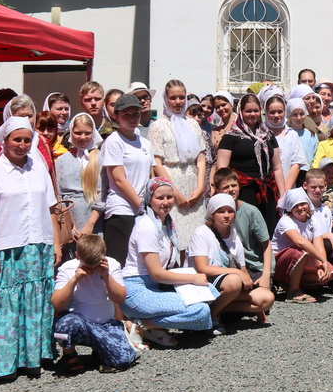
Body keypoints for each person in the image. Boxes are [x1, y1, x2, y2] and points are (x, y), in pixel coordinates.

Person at [0, 117, 62, 378]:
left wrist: (56, 243)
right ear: (5, 141)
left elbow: (51, 209)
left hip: (39, 245)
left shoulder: (39, 170)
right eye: (17, 139)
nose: (22, 145)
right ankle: (6, 364)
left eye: (27, 140)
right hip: (7, 247)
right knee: (7, 306)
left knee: (36, 304)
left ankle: (33, 359)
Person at [120, 179, 214, 348]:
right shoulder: (147, 226)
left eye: (169, 197)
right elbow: (156, 273)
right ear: (149, 199)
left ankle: (148, 325)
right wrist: (192, 279)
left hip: (154, 286)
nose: (166, 202)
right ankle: (142, 325)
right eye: (160, 198)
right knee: (201, 311)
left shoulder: (166, 223)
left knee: (210, 291)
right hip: (137, 290)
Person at [51, 234, 137, 374]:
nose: (92, 269)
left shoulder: (112, 264)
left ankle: (100, 352)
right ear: (77, 256)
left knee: (124, 360)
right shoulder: (67, 268)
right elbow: (57, 304)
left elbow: (120, 298)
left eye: (95, 264)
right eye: (88, 264)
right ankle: (69, 354)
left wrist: (106, 275)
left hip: (105, 324)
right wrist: (75, 279)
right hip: (79, 323)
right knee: (64, 325)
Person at [187, 194, 276, 324]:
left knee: (266, 299)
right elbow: (202, 268)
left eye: (230, 211)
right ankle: (212, 317)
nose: (226, 215)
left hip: (226, 284)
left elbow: (243, 269)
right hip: (203, 282)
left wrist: (258, 310)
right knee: (234, 281)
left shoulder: (234, 236)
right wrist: (237, 273)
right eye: (221, 211)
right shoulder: (201, 232)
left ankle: (218, 309)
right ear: (212, 214)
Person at [150, 80, 208, 251]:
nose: (178, 102)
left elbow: (201, 158)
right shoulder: (158, 126)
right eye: (173, 98)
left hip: (193, 184)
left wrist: (199, 189)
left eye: (181, 97)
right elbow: (157, 163)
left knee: (197, 238)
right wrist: (175, 193)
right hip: (171, 185)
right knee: (175, 240)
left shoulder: (192, 124)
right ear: (165, 99)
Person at [217, 93, 286, 235]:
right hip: (243, 192)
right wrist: (227, 195)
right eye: (248, 111)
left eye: (255, 110)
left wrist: (283, 195)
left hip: (267, 191)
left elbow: (277, 167)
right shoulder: (230, 137)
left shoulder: (268, 135)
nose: (252, 114)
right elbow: (222, 169)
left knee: (268, 230)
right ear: (240, 112)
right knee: (247, 232)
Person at [101, 94, 155, 265]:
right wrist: (140, 205)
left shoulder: (145, 143)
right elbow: (119, 180)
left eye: (135, 114)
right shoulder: (114, 142)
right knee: (120, 262)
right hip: (122, 210)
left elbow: (150, 174)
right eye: (126, 115)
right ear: (116, 116)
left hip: (142, 210)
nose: (132, 118)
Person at [271, 182, 333, 300]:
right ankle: (293, 291)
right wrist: (323, 260)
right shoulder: (285, 221)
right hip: (280, 262)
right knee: (301, 251)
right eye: (295, 206)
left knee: (330, 272)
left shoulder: (313, 220)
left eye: (302, 204)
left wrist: (320, 264)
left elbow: (319, 245)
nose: (299, 208)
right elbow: (300, 242)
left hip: (302, 260)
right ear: (289, 208)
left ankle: (291, 284)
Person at [54, 112, 103, 260]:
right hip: (69, 219)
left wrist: (90, 224)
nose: (82, 137)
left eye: (87, 133)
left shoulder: (101, 158)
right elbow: (58, 194)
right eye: (77, 133)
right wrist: (70, 226)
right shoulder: (62, 160)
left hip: (94, 219)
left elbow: (104, 194)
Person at [214, 168, 272, 293]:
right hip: (228, 265)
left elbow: (266, 244)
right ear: (218, 190)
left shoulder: (251, 212)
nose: (231, 190)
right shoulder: (214, 212)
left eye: (234, 185)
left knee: (263, 297)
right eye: (225, 187)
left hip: (253, 266)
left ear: (239, 186)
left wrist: (266, 275)